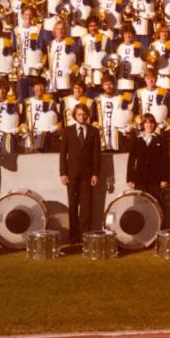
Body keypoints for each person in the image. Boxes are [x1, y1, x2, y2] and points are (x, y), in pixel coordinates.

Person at [58, 102, 102, 245]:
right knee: (72, 204)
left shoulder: (94, 131)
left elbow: (97, 155)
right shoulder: (67, 131)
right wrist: (63, 173)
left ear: (88, 115)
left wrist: (96, 173)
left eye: (84, 114)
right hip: (71, 174)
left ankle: (84, 237)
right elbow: (62, 154)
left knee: (86, 206)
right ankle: (73, 237)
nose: (82, 117)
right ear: (74, 116)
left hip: (87, 175)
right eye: (79, 115)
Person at [126, 114, 170, 202]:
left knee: (156, 205)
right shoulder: (136, 140)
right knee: (140, 205)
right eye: (146, 123)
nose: (149, 125)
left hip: (156, 180)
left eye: (151, 123)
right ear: (143, 125)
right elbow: (131, 160)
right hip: (140, 180)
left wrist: (165, 179)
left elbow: (165, 161)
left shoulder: (161, 140)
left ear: (154, 124)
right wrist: (129, 179)